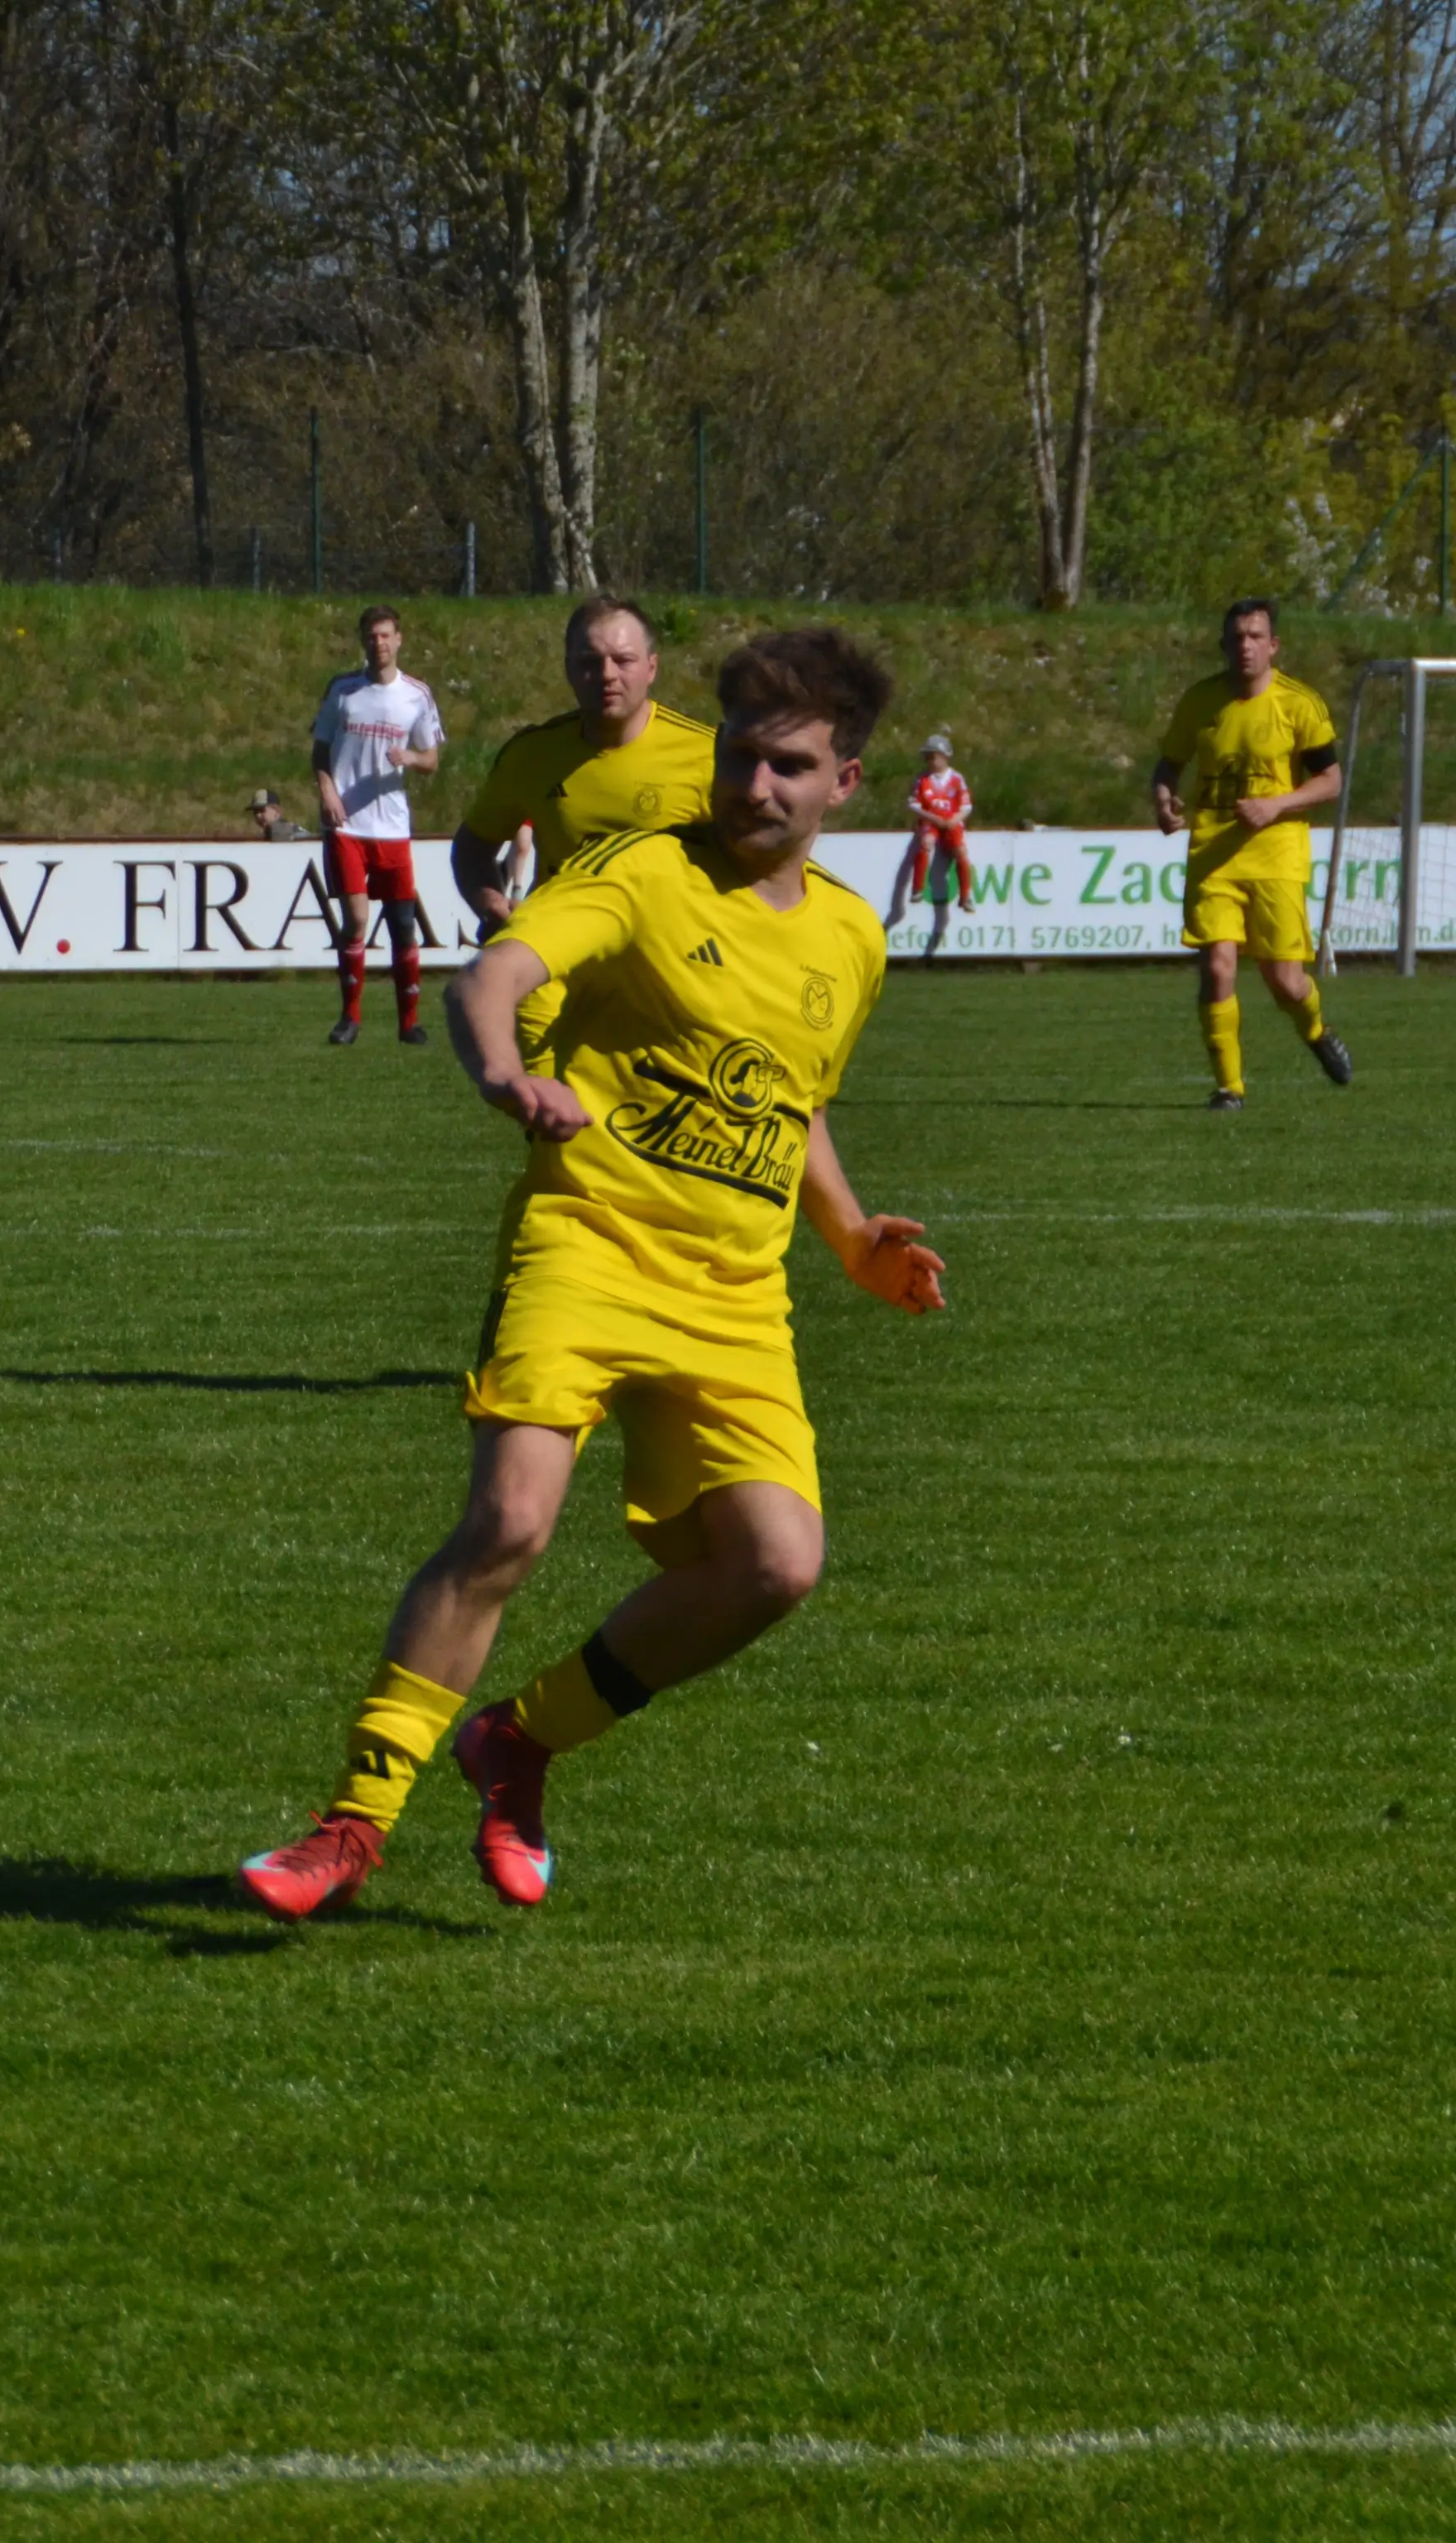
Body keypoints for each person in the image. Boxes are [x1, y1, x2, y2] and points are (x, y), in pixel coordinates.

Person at [239, 627, 949, 1921]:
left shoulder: (852, 939)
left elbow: (793, 1106)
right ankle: (352, 1823)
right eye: (740, 757)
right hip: (590, 1237)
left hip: (734, 1290)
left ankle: (523, 1740)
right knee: (510, 1521)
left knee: (778, 1566)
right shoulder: (644, 871)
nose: (755, 788)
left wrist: (850, 1238)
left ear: (845, 783)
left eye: (790, 767)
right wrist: (508, 1073)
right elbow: (498, 974)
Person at [445, 594, 719, 1071]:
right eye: (590, 662)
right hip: (553, 980)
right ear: (569, 670)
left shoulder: (708, 756)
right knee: (553, 1124)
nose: (608, 674)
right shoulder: (533, 755)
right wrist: (493, 905)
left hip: (670, 980)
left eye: (624, 660)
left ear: (652, 667)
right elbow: (474, 843)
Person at [1151, 598, 1353, 1108]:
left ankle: (1315, 1031)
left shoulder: (1298, 704)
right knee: (1218, 968)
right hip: (1214, 854)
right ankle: (1229, 1089)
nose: (1246, 646)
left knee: (1284, 981)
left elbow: (1331, 780)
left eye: (1256, 636)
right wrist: (1163, 798)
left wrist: (1277, 804)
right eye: (1237, 637)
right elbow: (1168, 764)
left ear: (1273, 645)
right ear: (1224, 646)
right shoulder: (1201, 703)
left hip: (1276, 854)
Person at [309, 606, 446, 1044]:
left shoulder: (417, 695)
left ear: (399, 640)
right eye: (372, 636)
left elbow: (432, 759)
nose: (379, 644)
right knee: (356, 918)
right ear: (363, 641)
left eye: (386, 635)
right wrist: (327, 791)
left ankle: (409, 1024)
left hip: (392, 827)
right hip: (347, 826)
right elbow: (320, 751)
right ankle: (350, 1018)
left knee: (403, 924)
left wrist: (412, 758)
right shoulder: (344, 690)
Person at [891, 734, 977, 955]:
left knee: (961, 852)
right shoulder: (923, 779)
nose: (930, 761)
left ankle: (966, 895)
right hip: (931, 821)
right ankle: (917, 888)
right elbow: (913, 803)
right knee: (927, 842)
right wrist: (930, 816)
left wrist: (955, 819)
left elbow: (967, 806)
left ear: (945, 756)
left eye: (933, 756)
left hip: (951, 821)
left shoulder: (956, 779)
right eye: (927, 757)